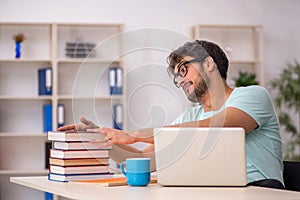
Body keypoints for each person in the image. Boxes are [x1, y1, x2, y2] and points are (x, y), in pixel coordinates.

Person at [58, 40, 284, 189]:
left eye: (184, 69)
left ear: (209, 63)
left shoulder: (252, 95)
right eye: (177, 76)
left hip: (260, 189)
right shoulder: (188, 118)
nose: (181, 80)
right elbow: (142, 161)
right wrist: (103, 140)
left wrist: (135, 134)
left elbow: (219, 126)